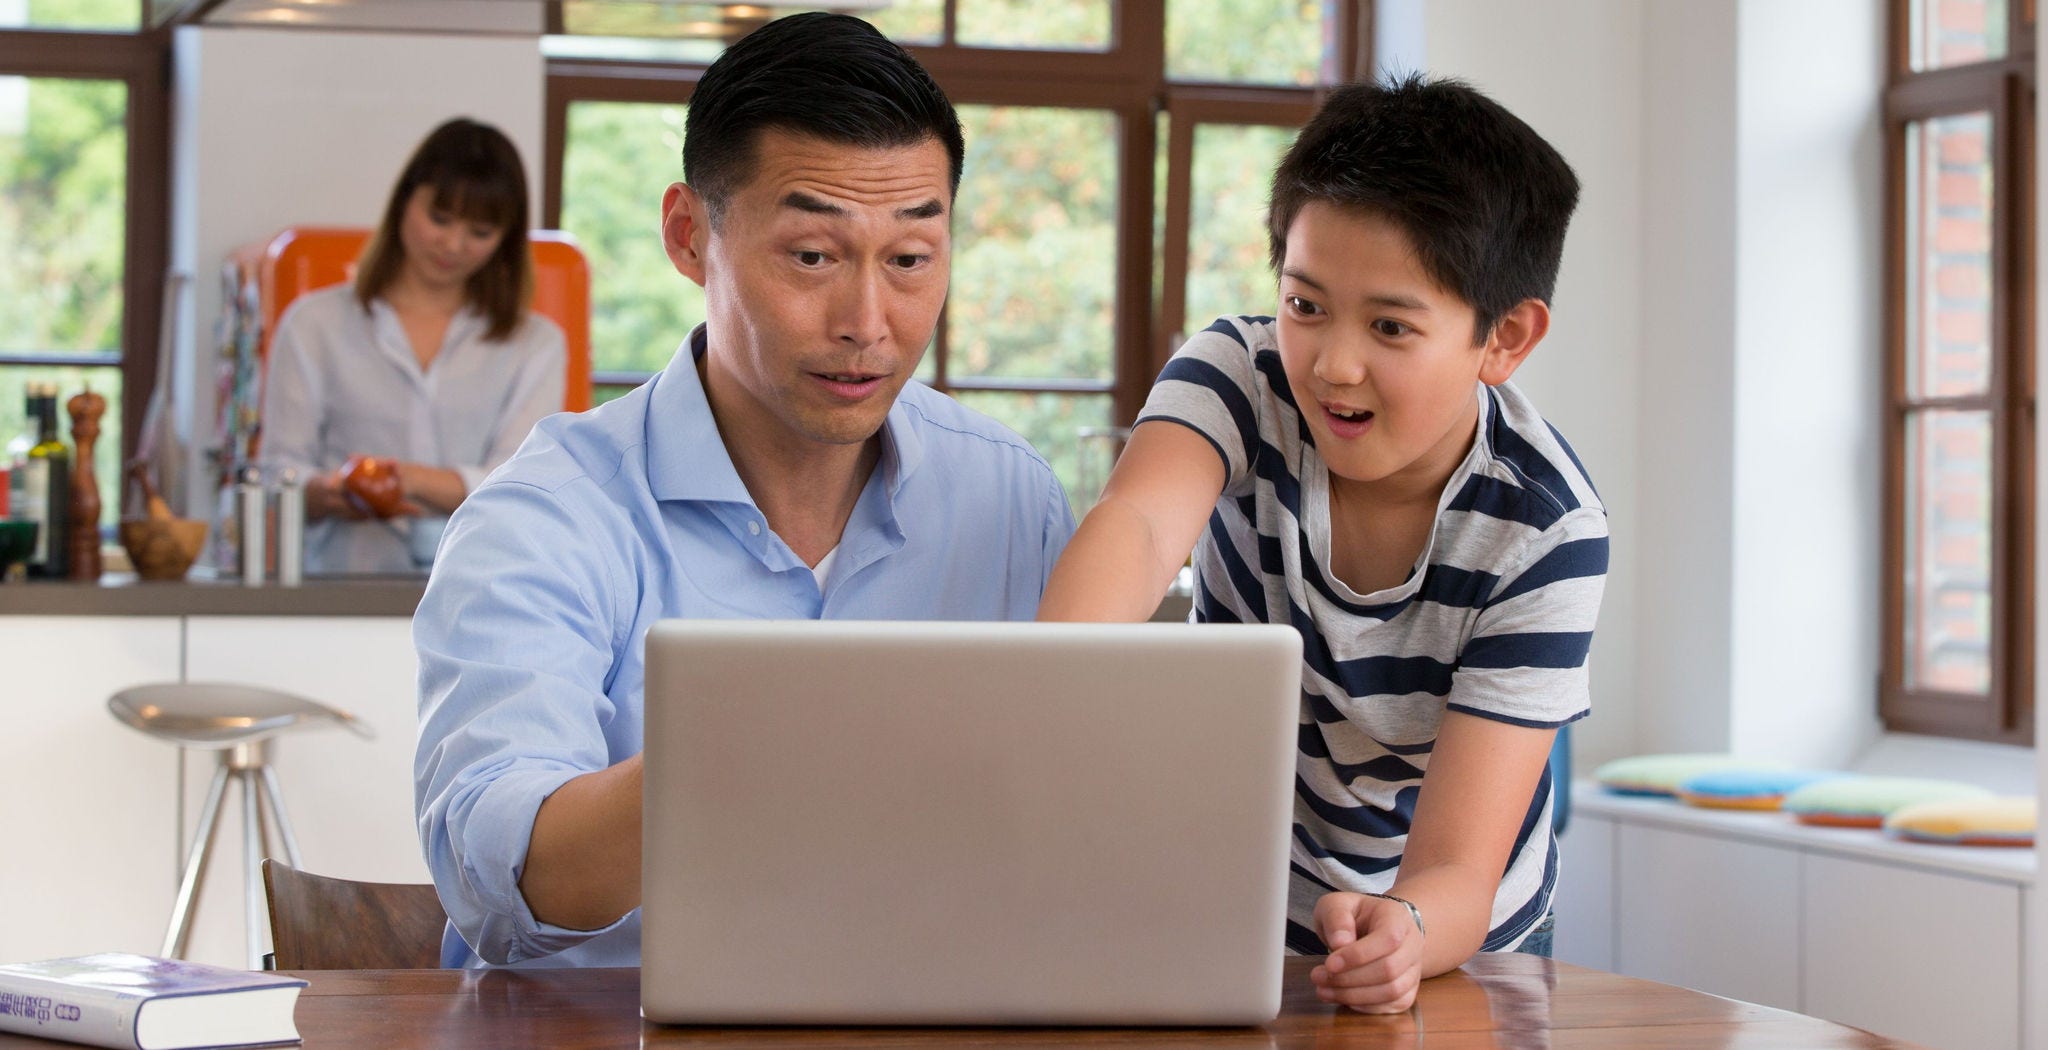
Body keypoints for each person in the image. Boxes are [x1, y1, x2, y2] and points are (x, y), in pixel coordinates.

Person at [412, 12, 1074, 969]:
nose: (866, 323)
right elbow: (502, 880)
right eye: (812, 256)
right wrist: (776, 736)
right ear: (690, 236)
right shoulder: (550, 514)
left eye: (910, 261)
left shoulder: (1011, 498)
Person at [1036, 75, 1608, 1013]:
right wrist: (1043, 689)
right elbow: (1139, 529)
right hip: (1236, 883)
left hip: (1463, 931)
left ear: (1504, 338)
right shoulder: (1239, 377)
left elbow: (1460, 867)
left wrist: (1408, 930)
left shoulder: (1545, 530)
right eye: (1305, 306)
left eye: (1389, 326)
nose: (1333, 364)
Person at [259, 117, 565, 574]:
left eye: (480, 232)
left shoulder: (535, 343)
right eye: (439, 219)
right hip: (339, 590)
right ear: (404, 201)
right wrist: (324, 491)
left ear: (504, 240)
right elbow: (277, 473)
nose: (452, 244)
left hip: (483, 588)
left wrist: (404, 479)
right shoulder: (314, 323)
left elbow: (521, 483)